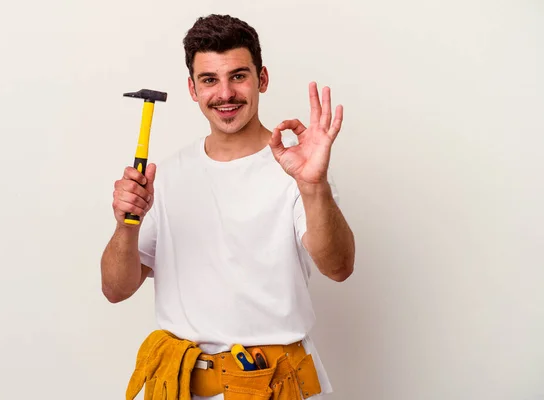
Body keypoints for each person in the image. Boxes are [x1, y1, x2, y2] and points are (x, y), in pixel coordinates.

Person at [101, 14, 355, 400]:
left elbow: (339, 267)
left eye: (238, 76)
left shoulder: (296, 170)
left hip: (276, 385)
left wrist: (314, 186)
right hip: (183, 385)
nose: (225, 93)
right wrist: (126, 225)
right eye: (209, 80)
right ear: (192, 88)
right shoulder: (165, 176)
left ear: (262, 79)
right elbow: (116, 290)